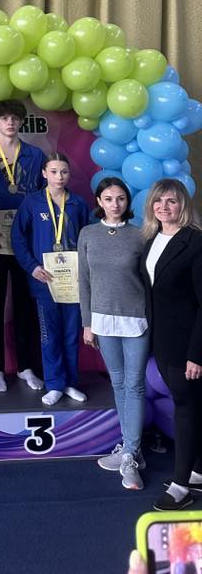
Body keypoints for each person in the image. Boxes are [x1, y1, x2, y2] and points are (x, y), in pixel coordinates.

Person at [78, 177, 149, 491]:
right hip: (102, 320)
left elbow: (149, 281)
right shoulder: (88, 234)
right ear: (99, 201)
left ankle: (130, 455)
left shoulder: (140, 235)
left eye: (120, 198)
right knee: (118, 383)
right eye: (108, 198)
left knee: (134, 385)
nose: (115, 204)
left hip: (135, 319)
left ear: (127, 201)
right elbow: (84, 281)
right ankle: (131, 448)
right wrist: (87, 323)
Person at [140, 179, 202, 512]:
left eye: (172, 201)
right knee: (189, 404)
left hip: (187, 345)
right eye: (159, 200)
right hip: (162, 341)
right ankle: (197, 471)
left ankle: (181, 486)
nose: (164, 207)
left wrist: (196, 354)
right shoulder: (151, 239)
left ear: (183, 205)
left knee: (185, 408)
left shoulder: (195, 242)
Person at [0, 100, 45, 393]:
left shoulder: (35, 155)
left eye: (15, 118)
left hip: (25, 238)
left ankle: (25, 367)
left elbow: (43, 198)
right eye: (4, 118)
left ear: (21, 122)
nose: (10, 123)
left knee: (25, 306)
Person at [12, 152, 90, 406]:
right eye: (54, 171)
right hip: (44, 281)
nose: (59, 177)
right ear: (44, 173)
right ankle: (54, 384)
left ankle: (70, 383)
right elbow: (18, 238)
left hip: (73, 282)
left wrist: (83, 271)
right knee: (50, 335)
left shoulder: (78, 204)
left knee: (71, 334)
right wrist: (32, 267)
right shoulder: (32, 203)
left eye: (64, 172)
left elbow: (88, 240)